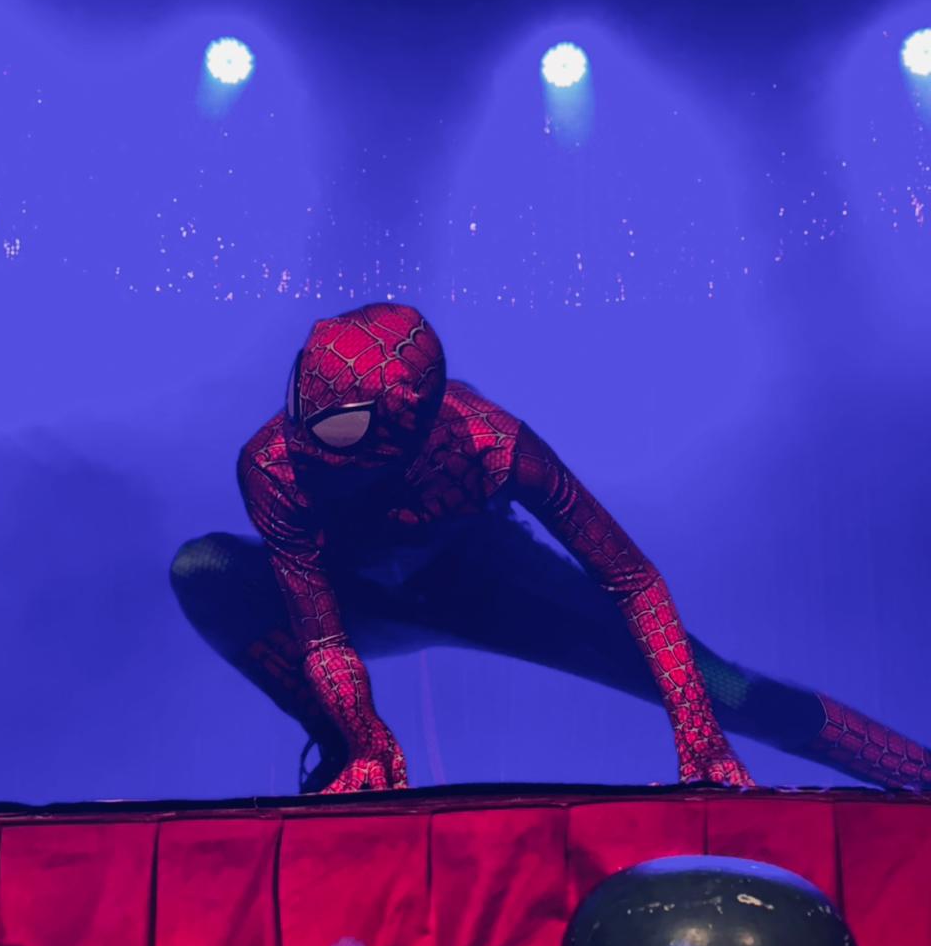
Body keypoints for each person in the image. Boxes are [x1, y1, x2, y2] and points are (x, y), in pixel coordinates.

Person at [170, 302, 931, 794]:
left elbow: (631, 580)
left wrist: (695, 727)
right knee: (205, 569)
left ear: (410, 421)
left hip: (492, 582)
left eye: (336, 427)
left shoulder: (494, 445)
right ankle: (340, 751)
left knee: (723, 688)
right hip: (356, 593)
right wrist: (362, 739)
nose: (307, 442)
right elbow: (322, 636)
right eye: (302, 408)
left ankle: (916, 771)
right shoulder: (274, 463)